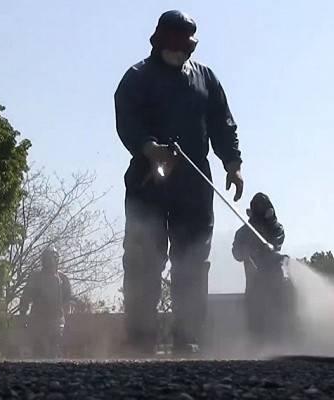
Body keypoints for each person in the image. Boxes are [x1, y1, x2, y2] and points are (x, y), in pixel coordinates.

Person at [115, 10, 244, 355]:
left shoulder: (206, 79)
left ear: (190, 47)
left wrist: (233, 164)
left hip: (194, 182)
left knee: (192, 259)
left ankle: (187, 336)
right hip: (148, 180)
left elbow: (222, 124)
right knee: (144, 259)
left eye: (182, 46)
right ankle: (140, 338)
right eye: (170, 45)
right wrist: (149, 148)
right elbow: (126, 120)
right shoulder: (137, 78)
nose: (177, 52)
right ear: (158, 42)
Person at [232, 193, 288, 348]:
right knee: (255, 323)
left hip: (276, 285)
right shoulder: (244, 232)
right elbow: (236, 253)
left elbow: (278, 238)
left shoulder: (275, 227)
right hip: (254, 285)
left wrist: (269, 246)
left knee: (278, 322)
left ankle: (280, 350)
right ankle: (255, 355)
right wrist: (246, 249)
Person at [19, 246, 72, 358]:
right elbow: (26, 296)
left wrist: (67, 317)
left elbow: (68, 299)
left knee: (56, 344)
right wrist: (23, 314)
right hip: (38, 317)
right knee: (39, 347)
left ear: (56, 259)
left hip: (56, 317)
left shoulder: (62, 279)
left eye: (52, 258)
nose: (49, 261)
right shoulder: (35, 277)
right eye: (46, 258)